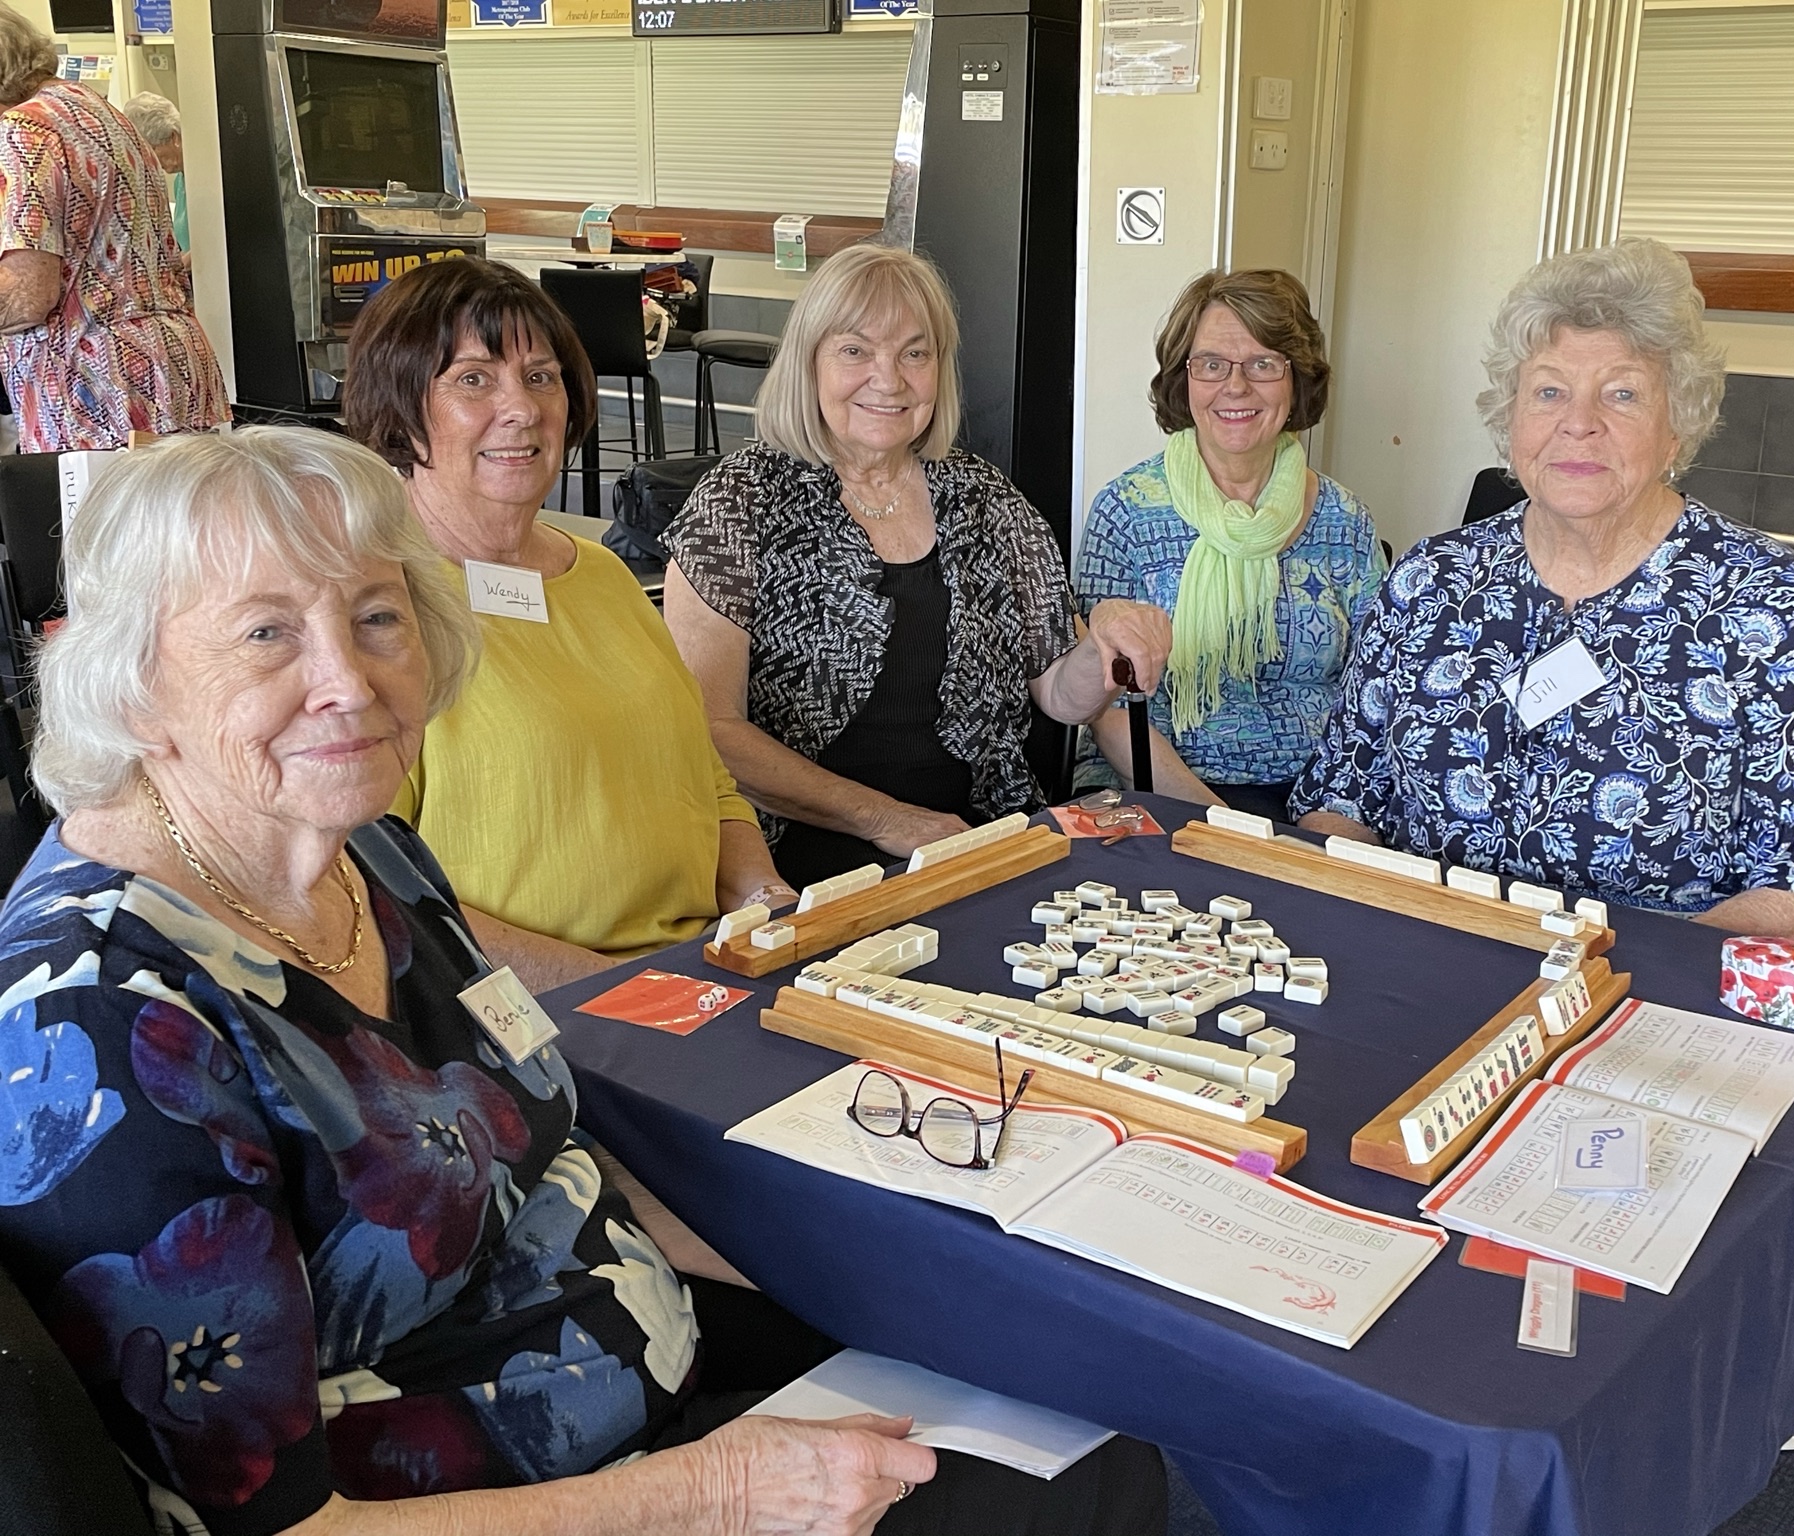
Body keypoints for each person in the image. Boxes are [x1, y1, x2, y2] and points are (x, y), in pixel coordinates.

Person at [0, 427, 1167, 1536]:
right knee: (1077, 1494)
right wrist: (714, 1494)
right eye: (266, 634)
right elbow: (268, 1525)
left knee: (1086, 1392)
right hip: (531, 1498)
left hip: (644, 1374)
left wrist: (860, 1280)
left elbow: (550, 1155)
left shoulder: (370, 857)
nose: (347, 679)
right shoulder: (102, 1021)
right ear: (134, 683)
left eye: (374, 616)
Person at [1290, 237, 1794, 941]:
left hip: (1654, 979)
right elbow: (1341, 798)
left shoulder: (1765, 599)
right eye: (1549, 392)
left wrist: (1612, 975)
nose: (1579, 422)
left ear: (1677, 426)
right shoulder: (1431, 579)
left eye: (1622, 394)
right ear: (1510, 419)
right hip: (1436, 953)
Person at [662, 244, 1173, 891]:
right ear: (808, 362)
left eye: (914, 353)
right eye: (855, 350)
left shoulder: (985, 498)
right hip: (793, 855)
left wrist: (1102, 645)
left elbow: (1061, 695)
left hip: (975, 838)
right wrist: (889, 821)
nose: (890, 379)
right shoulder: (740, 502)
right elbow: (709, 729)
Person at [346, 257, 794, 990]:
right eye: (473, 379)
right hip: (528, 1008)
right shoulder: (378, 611)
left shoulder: (605, 575)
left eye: (540, 376)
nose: (521, 408)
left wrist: (765, 904)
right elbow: (373, 890)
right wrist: (622, 993)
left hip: (697, 976)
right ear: (399, 408)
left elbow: (706, 781)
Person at [1073, 269, 1385, 823]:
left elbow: (1374, 697)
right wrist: (1226, 828)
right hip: (1157, 792)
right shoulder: (1126, 511)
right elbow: (1105, 709)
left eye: (1263, 363)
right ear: (1183, 379)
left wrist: (1332, 819)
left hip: (1315, 799)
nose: (1235, 386)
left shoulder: (1347, 521)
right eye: (1211, 364)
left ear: (1297, 381)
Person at [0, 8, 225, 451]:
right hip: (172, 370)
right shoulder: (101, 113)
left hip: (93, 389)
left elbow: (27, 295)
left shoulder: (23, 129)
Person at [119, 90, 188, 257]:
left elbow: (218, 239)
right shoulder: (180, 181)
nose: (152, 162)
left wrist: (184, 262)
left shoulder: (207, 178)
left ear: (174, 138)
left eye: (153, 150)